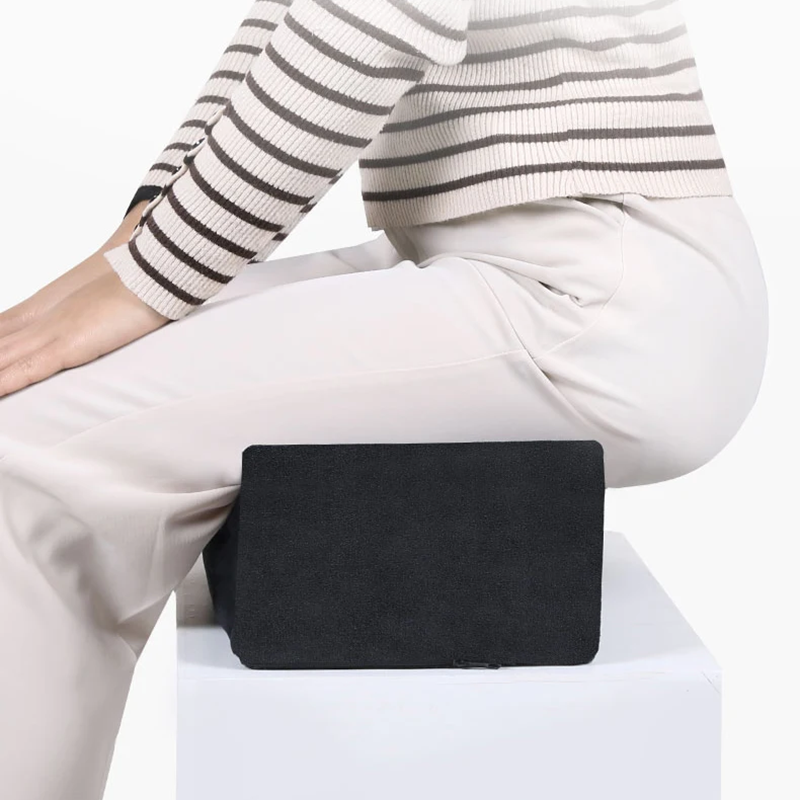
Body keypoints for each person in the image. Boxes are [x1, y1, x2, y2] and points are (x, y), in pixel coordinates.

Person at [0, 0, 768, 797]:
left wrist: (148, 278)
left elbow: (374, 21)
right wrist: (123, 257)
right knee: (33, 416)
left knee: (25, 460)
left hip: (594, 289)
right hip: (495, 257)